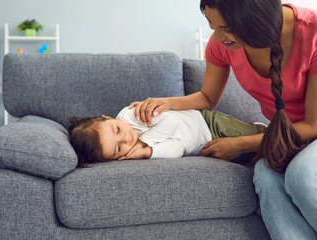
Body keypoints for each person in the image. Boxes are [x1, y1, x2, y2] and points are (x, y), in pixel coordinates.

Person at [129, 0, 317, 239]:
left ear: (256, 18)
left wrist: (242, 144)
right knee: (265, 176)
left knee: (299, 175)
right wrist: (167, 103)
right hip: (290, 140)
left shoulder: (312, 32)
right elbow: (208, 96)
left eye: (226, 27)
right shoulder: (223, 44)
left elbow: (312, 126)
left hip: (311, 133)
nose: (217, 38)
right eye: (210, 24)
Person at [68, 106, 265, 164]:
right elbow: (178, 148)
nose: (126, 138)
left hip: (209, 125)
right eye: (118, 148)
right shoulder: (135, 154)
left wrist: (144, 142)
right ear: (116, 157)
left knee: (269, 140)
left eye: (116, 129)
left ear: (108, 117)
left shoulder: (131, 116)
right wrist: (148, 152)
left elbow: (172, 122)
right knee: (259, 157)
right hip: (210, 146)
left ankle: (262, 129)